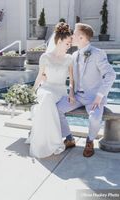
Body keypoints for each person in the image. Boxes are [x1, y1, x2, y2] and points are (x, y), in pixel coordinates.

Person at [57, 23, 116, 157]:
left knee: (94, 118)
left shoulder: (98, 53)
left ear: (82, 37)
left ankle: (89, 141)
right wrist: (71, 92)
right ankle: (69, 138)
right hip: (77, 96)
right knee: (57, 108)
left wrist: (100, 96)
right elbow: (71, 78)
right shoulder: (74, 55)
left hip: (93, 98)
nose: (71, 36)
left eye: (74, 34)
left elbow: (111, 74)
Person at [29, 22, 75, 158]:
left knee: (47, 99)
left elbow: (72, 80)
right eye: (67, 43)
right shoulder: (45, 57)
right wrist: (31, 92)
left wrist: (71, 93)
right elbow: (39, 77)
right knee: (46, 98)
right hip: (46, 88)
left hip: (60, 90)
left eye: (70, 43)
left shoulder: (69, 59)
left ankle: (53, 140)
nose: (69, 46)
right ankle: (44, 140)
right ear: (59, 41)